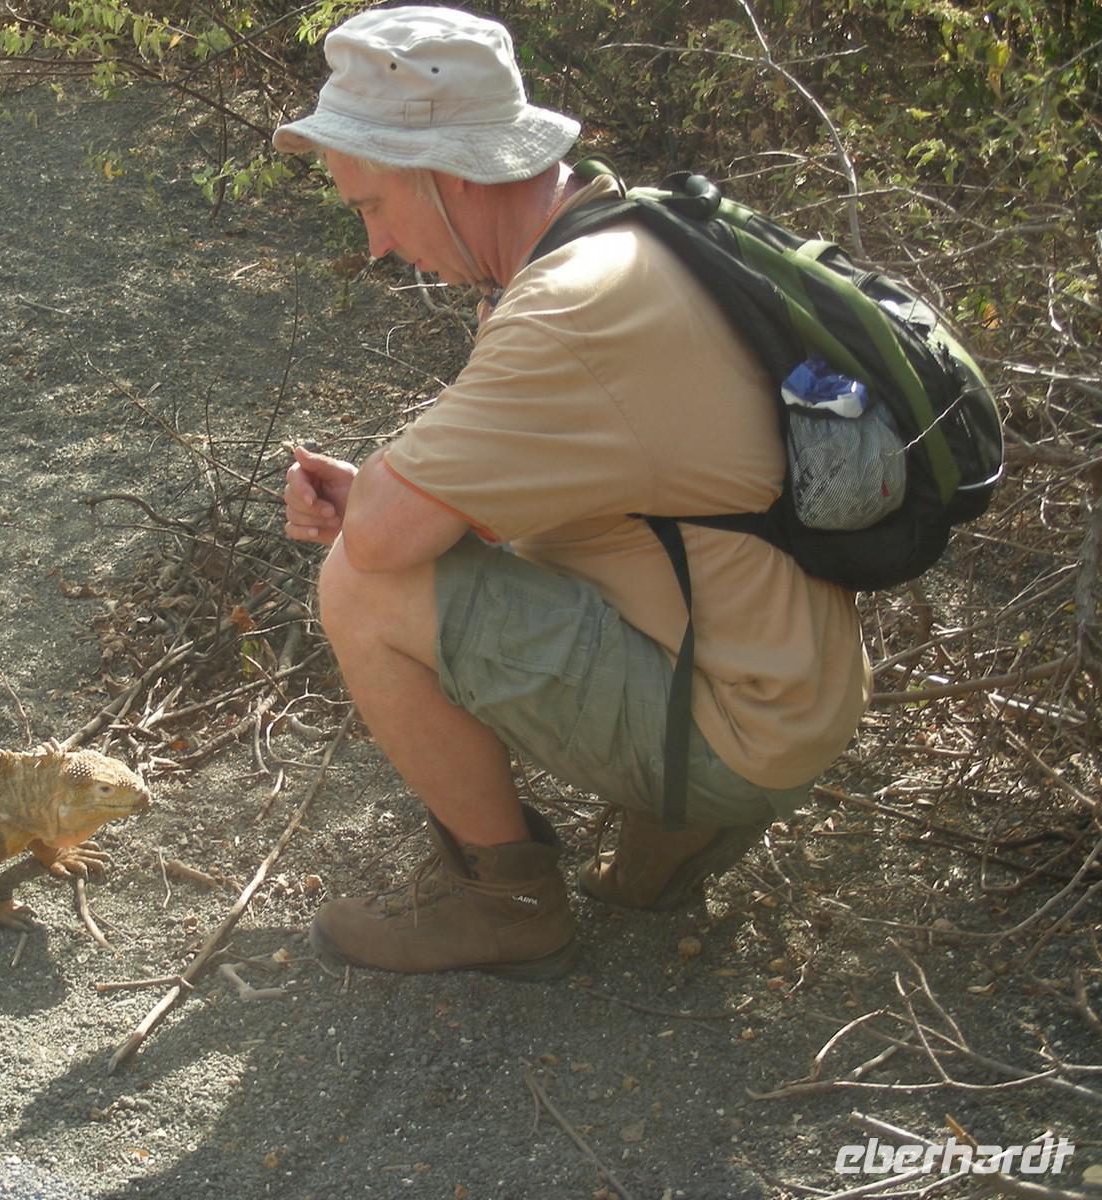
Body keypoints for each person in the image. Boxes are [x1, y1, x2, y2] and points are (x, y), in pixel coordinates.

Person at [272, 6, 868, 979]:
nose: (373, 244)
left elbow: (380, 546)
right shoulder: (628, 236)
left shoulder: (567, 308)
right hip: (788, 689)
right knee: (427, 540)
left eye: (373, 205)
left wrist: (376, 510)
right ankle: (666, 840)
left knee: (361, 586)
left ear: (453, 171)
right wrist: (398, 500)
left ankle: (505, 902)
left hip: (734, 727)